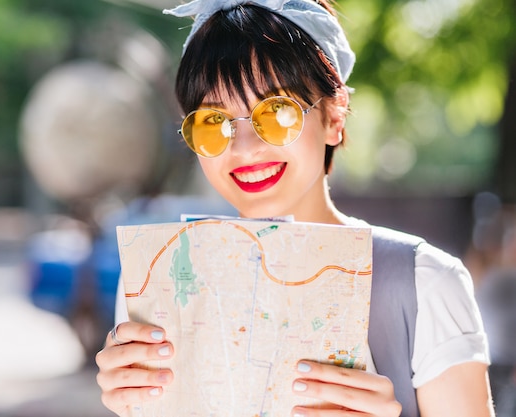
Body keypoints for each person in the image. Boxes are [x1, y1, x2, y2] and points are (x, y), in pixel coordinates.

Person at [95, 1, 494, 416]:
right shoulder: (154, 280)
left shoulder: (423, 282)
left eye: (277, 113)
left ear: (334, 116)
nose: (244, 148)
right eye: (213, 122)